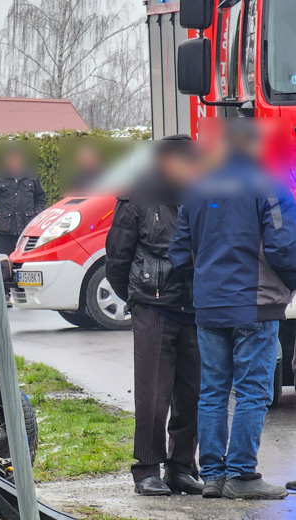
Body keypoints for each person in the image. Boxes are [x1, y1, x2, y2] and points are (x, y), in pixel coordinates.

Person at [169, 120, 296, 500]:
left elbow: (179, 252)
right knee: (252, 391)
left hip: (209, 306)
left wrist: (207, 285)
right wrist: (289, 285)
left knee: (213, 390)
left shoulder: (197, 187)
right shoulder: (268, 186)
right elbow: (284, 246)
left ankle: (212, 475)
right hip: (255, 306)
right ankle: (242, 474)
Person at [105, 136, 203, 496]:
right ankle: (147, 468)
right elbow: (117, 257)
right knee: (152, 394)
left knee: (191, 391)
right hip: (153, 306)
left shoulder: (200, 194)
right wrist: (138, 298)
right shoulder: (137, 196)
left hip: (194, 305)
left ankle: (182, 466)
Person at [0, 146, 47, 257]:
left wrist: (35, 215)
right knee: (5, 266)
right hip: (6, 233)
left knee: (27, 264)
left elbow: (41, 199)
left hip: (28, 232)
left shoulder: (32, 177)